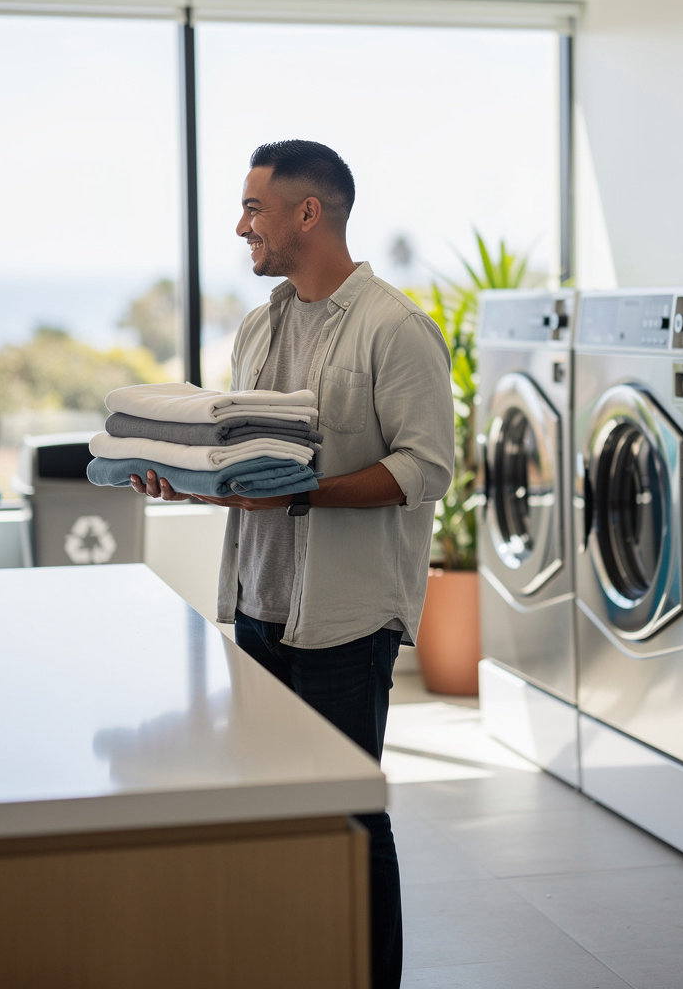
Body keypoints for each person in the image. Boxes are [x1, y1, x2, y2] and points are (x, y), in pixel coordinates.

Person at [131, 139, 455, 989]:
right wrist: (194, 483)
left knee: (351, 815)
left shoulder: (395, 327)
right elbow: (252, 466)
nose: (242, 227)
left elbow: (427, 471)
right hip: (259, 607)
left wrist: (302, 499)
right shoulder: (260, 324)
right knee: (277, 811)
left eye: (253, 209)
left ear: (307, 213)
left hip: (344, 622)